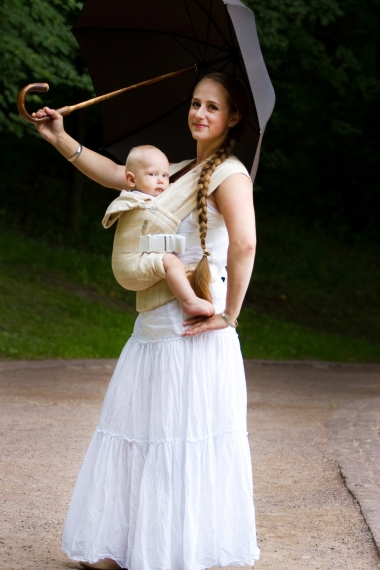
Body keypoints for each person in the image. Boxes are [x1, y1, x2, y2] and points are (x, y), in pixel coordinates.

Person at [33, 72, 259, 570]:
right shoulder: (173, 169)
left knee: (180, 436)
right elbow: (118, 174)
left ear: (234, 117)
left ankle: (177, 551)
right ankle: (131, 544)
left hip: (196, 327)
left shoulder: (229, 174)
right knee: (143, 432)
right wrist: (60, 137)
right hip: (153, 326)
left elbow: (244, 245)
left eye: (212, 107)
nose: (199, 113)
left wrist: (230, 317)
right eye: (196, 103)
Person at [108, 143, 215, 318]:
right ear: (131, 180)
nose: (161, 180)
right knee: (171, 262)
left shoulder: (155, 198)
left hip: (138, 262)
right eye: (152, 174)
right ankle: (190, 301)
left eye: (165, 175)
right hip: (129, 264)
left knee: (171, 261)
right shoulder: (132, 199)